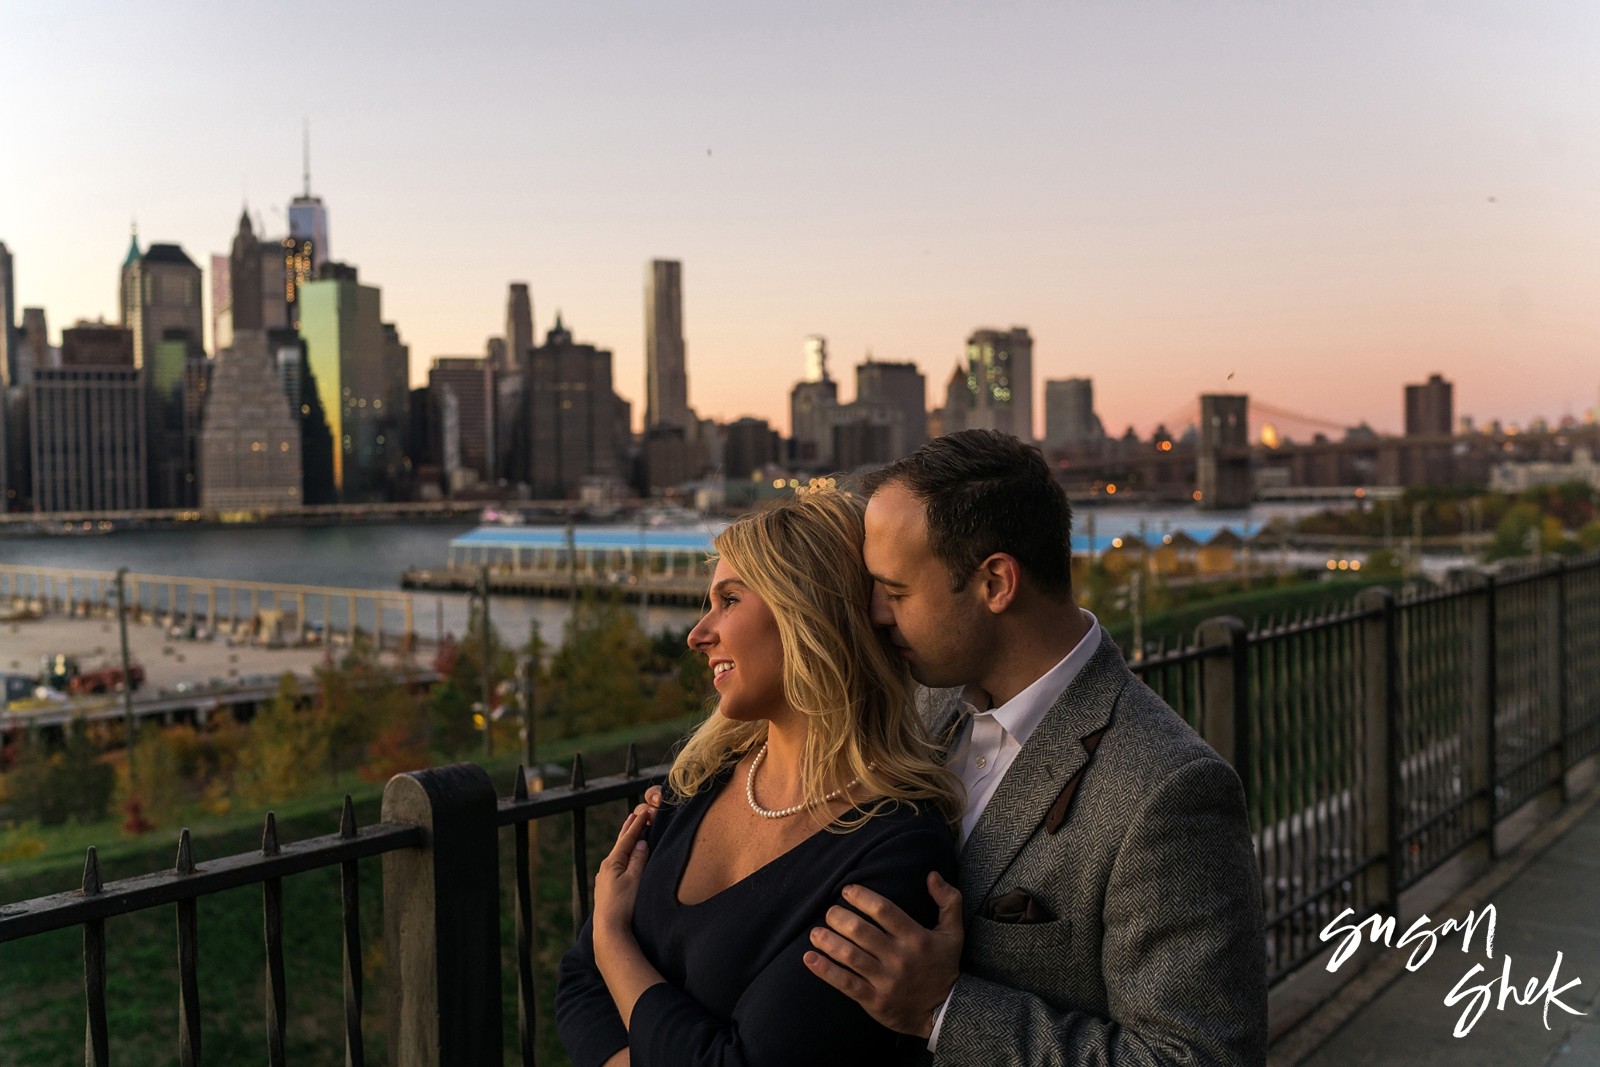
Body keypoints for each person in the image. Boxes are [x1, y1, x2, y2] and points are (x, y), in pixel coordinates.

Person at [802, 429, 1268, 1066]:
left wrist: (942, 1011)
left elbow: (1199, 1059)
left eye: (898, 591)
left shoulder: (1167, 791)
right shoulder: (924, 706)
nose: (876, 614)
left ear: (996, 582)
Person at [555, 487, 963, 1067]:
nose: (699, 634)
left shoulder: (894, 849)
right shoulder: (694, 785)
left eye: (729, 599)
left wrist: (614, 943)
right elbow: (577, 984)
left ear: (808, 614)